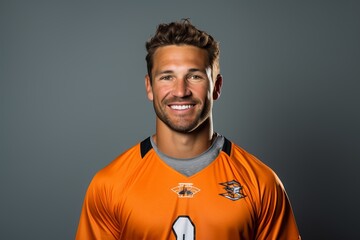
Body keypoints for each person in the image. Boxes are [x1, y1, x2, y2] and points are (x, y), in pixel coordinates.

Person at [76, 19, 301, 240]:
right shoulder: (110, 184)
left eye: (194, 76)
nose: (181, 91)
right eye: (167, 77)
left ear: (217, 86)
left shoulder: (261, 183)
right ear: (149, 87)